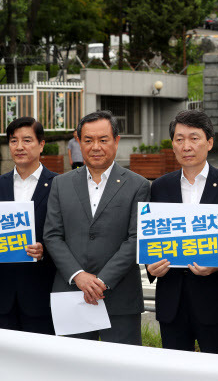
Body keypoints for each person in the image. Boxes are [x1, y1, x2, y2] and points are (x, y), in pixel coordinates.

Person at [146, 110, 218, 354]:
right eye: (179, 139)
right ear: (172, 144)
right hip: (172, 302)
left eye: (194, 138)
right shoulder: (161, 186)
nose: (186, 146)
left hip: (214, 300)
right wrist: (151, 266)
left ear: (209, 142)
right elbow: (150, 236)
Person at [44, 110, 150, 345]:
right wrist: (78, 275)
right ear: (78, 141)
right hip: (72, 294)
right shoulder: (61, 184)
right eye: (88, 140)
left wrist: (102, 280)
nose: (96, 147)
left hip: (120, 296)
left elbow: (136, 239)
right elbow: (52, 235)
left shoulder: (138, 185)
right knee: (73, 369)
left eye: (103, 140)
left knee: (121, 370)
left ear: (116, 141)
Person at [0, 117, 57, 335]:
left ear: (41, 144)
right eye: (14, 141)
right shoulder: (1, 184)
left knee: (41, 365)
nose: (20, 147)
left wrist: (44, 251)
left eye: (27, 140)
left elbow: (67, 235)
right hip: (3, 297)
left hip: (40, 295)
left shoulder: (58, 185)